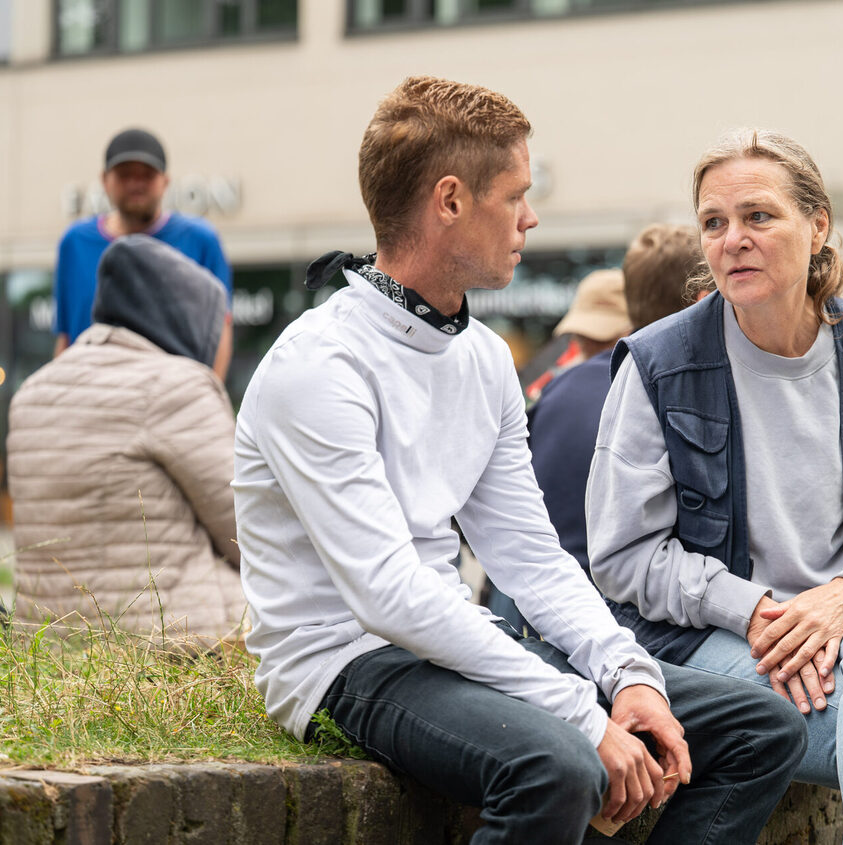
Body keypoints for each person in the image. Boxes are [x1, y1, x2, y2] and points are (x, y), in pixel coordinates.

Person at [231, 76, 807, 845]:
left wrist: (626, 673)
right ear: (450, 201)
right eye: (515, 196)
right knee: (558, 766)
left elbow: (530, 556)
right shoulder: (317, 366)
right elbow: (387, 595)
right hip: (344, 662)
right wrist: (581, 713)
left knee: (761, 726)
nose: (530, 217)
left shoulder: (481, 358)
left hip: (451, 642)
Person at [588, 129, 843, 845]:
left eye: (758, 216)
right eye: (714, 222)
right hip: (702, 643)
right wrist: (755, 611)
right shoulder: (659, 364)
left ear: (817, 225)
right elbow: (624, 555)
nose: (733, 239)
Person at [8, 234, 242, 647]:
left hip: (50, 644)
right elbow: (249, 532)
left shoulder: (33, 391)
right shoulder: (176, 386)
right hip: (169, 642)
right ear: (185, 317)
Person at [490, 227, 702, 632]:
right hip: (619, 618)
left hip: (543, 608)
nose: (585, 348)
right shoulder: (668, 391)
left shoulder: (554, 392)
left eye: (592, 337)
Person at [54, 127, 232, 379]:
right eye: (124, 174)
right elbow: (65, 336)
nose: (136, 184)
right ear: (105, 180)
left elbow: (220, 329)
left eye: (147, 175)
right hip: (91, 389)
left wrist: (207, 394)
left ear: (165, 181)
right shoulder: (74, 243)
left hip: (172, 392)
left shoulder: (201, 240)